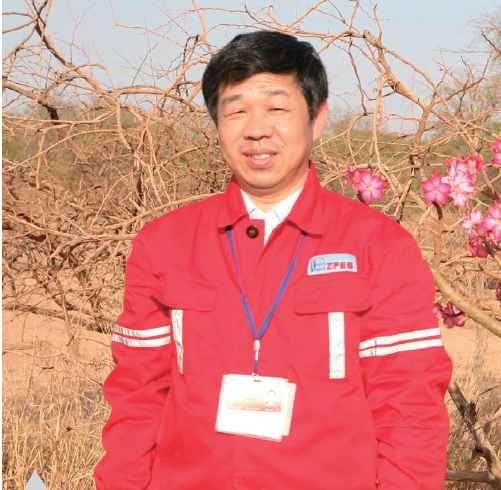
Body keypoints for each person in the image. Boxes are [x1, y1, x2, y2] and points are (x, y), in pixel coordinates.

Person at [95, 31, 453, 490]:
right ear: (217, 124)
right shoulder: (164, 244)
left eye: (277, 109)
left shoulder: (379, 247)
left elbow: (410, 408)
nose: (256, 129)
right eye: (236, 110)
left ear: (317, 119)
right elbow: (137, 398)